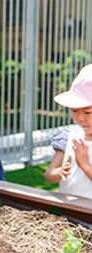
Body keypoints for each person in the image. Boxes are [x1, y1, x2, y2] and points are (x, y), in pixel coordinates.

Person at [45, 64, 92, 200]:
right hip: (67, 211)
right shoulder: (69, 136)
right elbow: (49, 174)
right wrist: (59, 172)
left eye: (88, 112)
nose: (80, 117)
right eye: (75, 110)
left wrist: (86, 166)